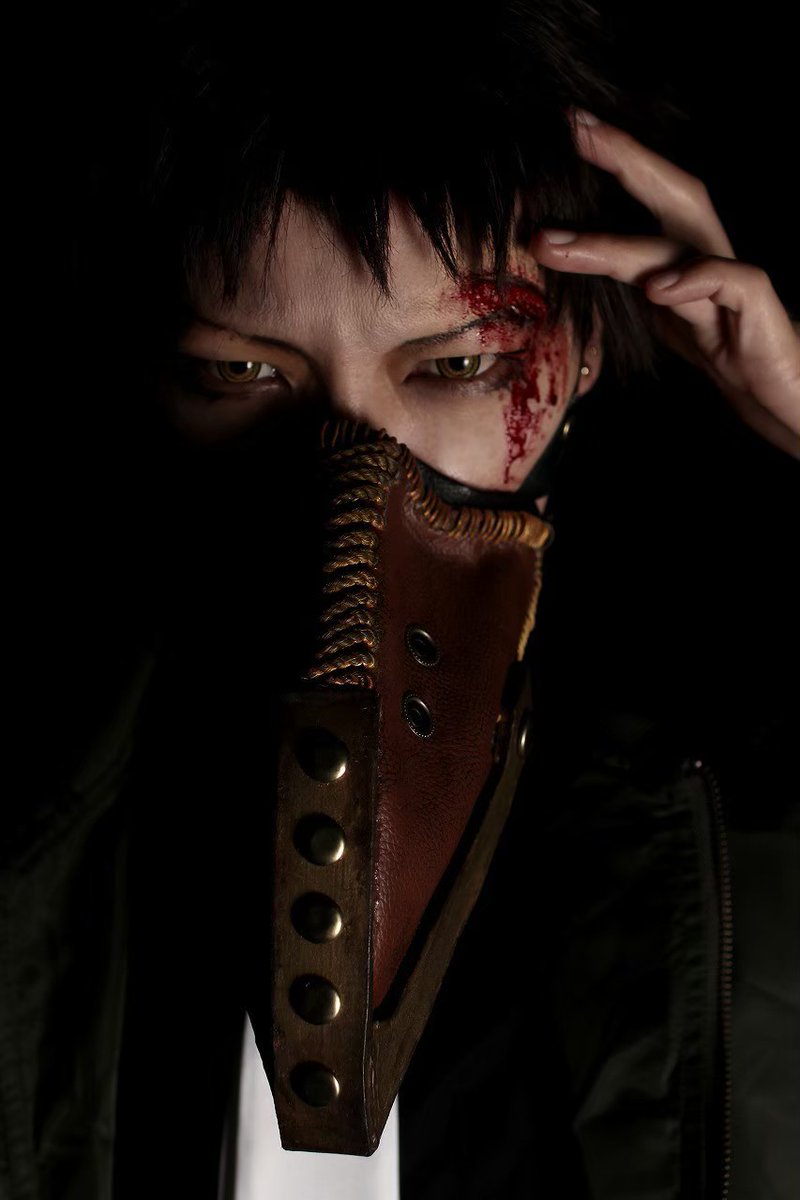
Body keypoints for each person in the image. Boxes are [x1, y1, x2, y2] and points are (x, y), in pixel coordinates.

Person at [4, 1, 798, 1198]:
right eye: (238, 372)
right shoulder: (52, 812)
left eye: (457, 366)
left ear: (582, 353)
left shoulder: (742, 780)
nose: (357, 473)